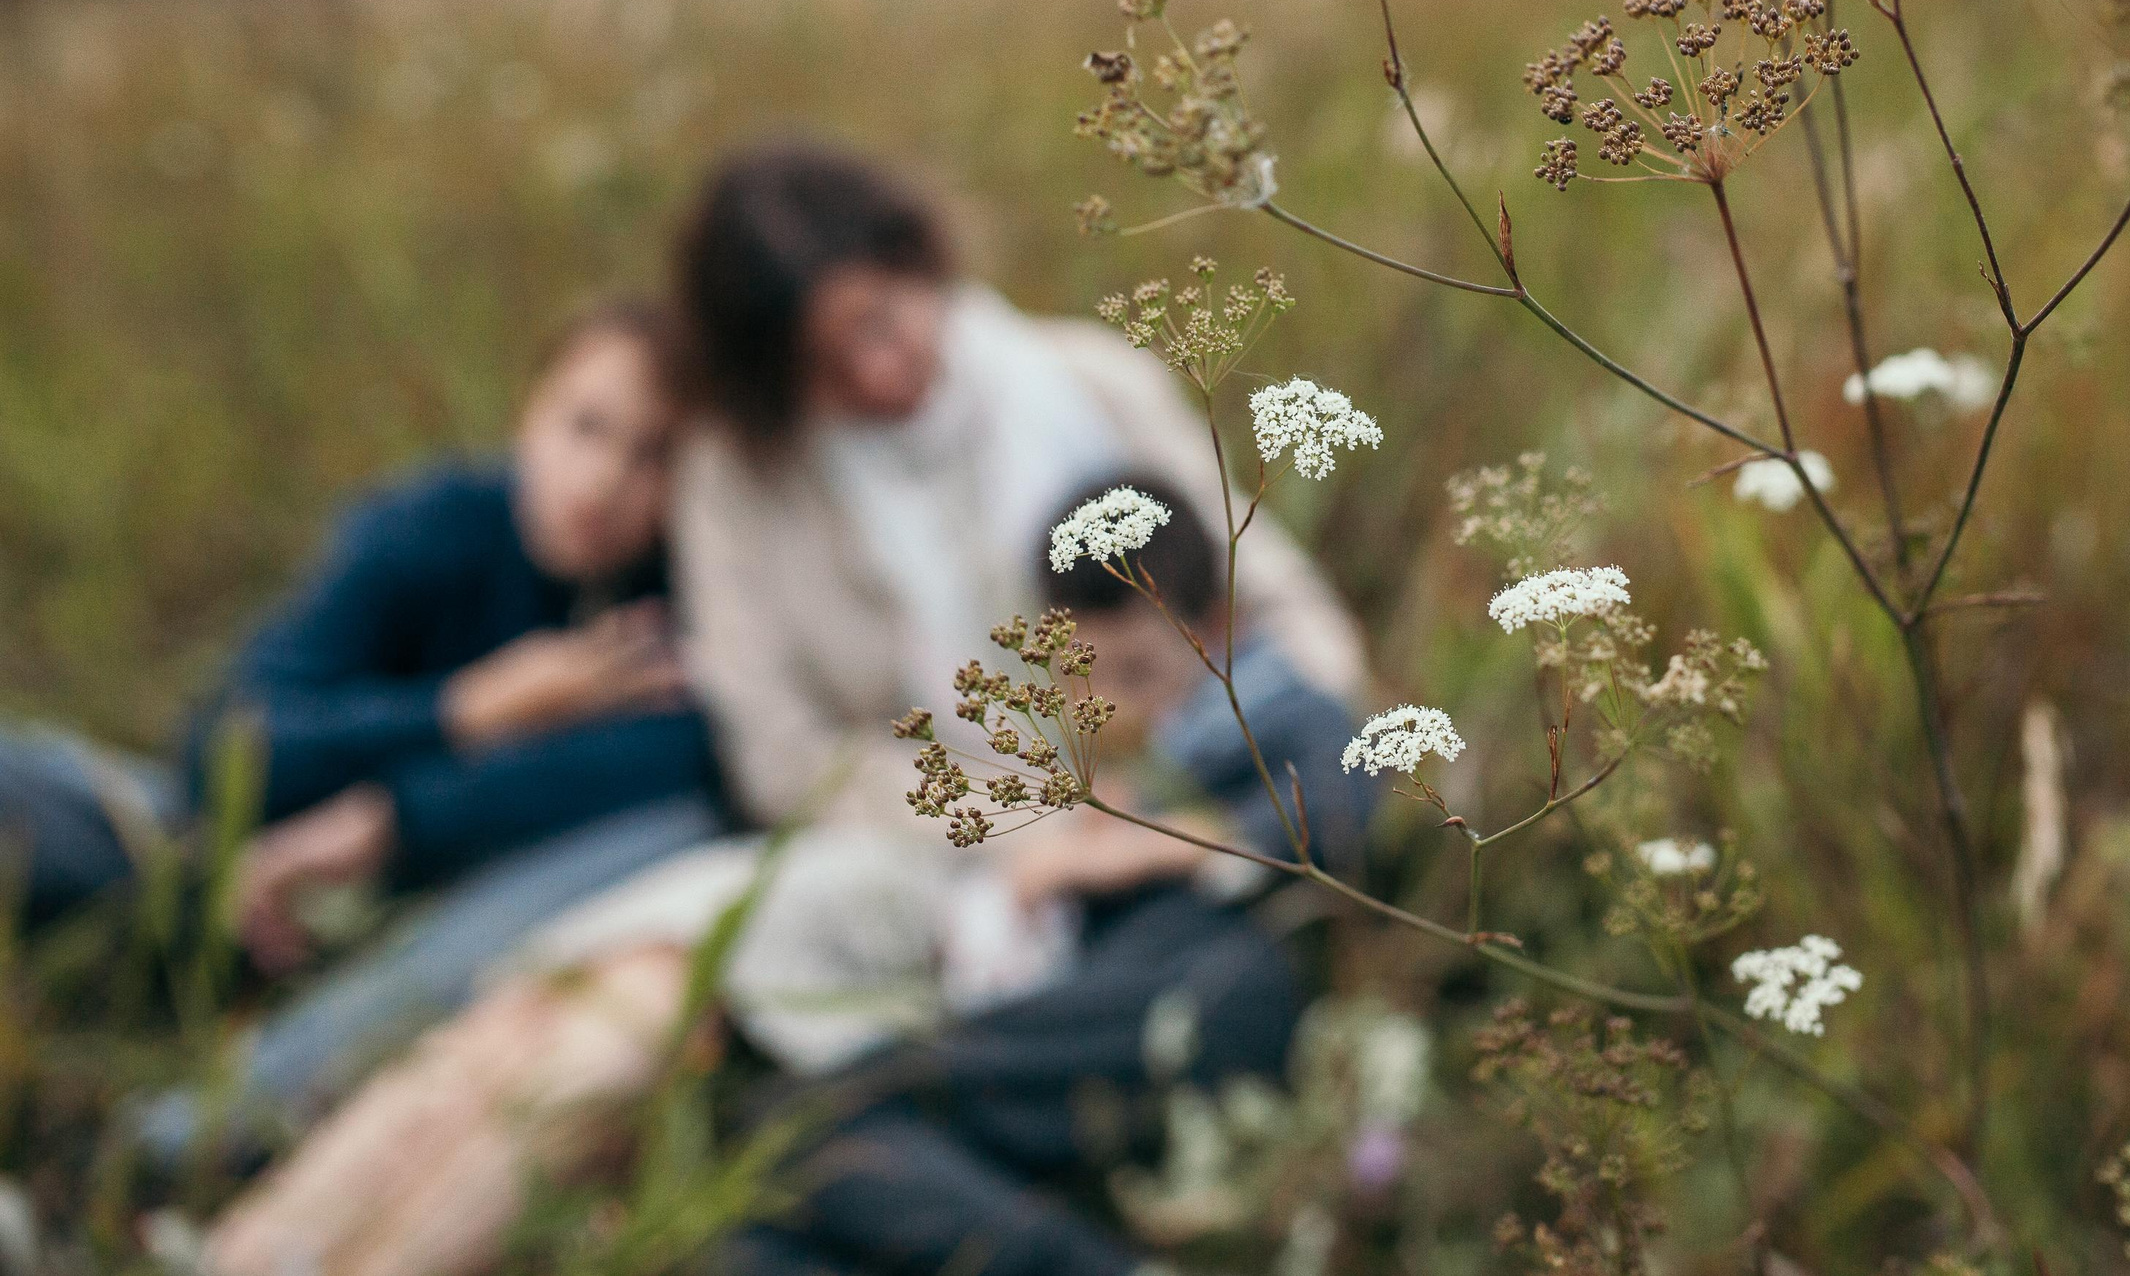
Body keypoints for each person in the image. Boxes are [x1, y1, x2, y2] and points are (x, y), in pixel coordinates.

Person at [201, 142, 1369, 1276]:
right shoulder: (742, 476)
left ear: (917, 262)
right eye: (821, 361)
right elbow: (781, 756)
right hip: (894, 843)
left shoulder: (1091, 382)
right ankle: (242, 1245)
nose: (871, 372)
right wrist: (1034, 818)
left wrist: (1172, 802)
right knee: (553, 1005)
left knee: (631, 1027)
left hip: (1100, 863)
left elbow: (1290, 625)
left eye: (877, 320)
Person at [0, 297, 727, 1150]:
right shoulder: (437, 523)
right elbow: (226, 748)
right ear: (529, 411)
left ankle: (177, 1145)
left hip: (426, 945)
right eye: (585, 427)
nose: (602, 483)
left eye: (654, 456)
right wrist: (468, 707)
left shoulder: (680, 612)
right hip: (223, 866)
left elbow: (687, 774)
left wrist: (388, 823)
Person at [719, 476, 1376, 1276]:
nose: (1109, 705)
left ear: (1216, 629)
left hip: (1206, 990)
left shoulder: (1280, 708)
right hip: (1087, 1017)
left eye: (1134, 673)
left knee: (802, 1126)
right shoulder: (1107, 772)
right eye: (1081, 679)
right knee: (763, 1230)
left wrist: (1148, 847)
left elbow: (1341, 818)